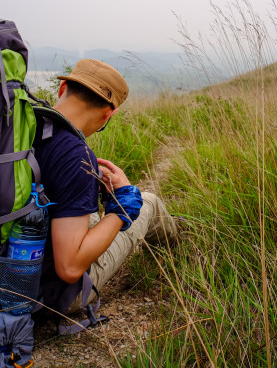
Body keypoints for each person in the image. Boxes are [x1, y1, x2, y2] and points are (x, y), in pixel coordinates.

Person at [34, 59, 176, 329]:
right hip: (52, 294)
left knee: (94, 216)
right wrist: (124, 204)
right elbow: (70, 268)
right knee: (149, 202)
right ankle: (177, 252)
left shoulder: (26, 127)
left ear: (63, 86)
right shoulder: (75, 155)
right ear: (109, 113)